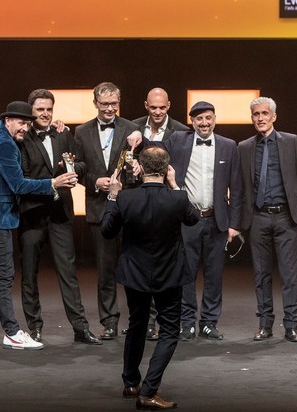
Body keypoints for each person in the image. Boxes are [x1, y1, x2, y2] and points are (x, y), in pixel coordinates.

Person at [0, 101, 77, 351]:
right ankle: (12, 333)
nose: (25, 128)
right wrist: (53, 183)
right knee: (4, 276)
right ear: (8, 120)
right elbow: (19, 185)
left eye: (27, 123)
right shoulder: (4, 144)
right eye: (21, 123)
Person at [130, 101, 243, 341]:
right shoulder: (179, 140)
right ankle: (188, 322)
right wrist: (137, 135)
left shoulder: (228, 145)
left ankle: (209, 322)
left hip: (217, 220)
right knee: (186, 274)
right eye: (199, 119)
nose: (204, 123)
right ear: (192, 121)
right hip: (187, 219)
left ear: (215, 119)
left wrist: (234, 224)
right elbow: (153, 149)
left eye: (208, 118)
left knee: (214, 274)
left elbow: (237, 186)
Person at [102, 146, 198, 410]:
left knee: (137, 324)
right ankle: (148, 391)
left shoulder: (125, 198)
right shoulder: (177, 198)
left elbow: (107, 231)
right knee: (169, 331)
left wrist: (112, 196)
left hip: (135, 272)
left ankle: (131, 383)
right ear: (166, 169)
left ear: (141, 168)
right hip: (169, 273)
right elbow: (194, 219)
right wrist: (175, 185)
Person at [17, 89, 101, 345]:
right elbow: (22, 177)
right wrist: (54, 181)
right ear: (31, 111)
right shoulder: (22, 137)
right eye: (40, 109)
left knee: (68, 272)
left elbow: (82, 164)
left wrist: (72, 168)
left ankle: (80, 328)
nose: (45, 114)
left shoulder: (63, 134)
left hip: (60, 213)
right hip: (32, 213)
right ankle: (34, 327)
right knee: (29, 272)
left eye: (49, 109)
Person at [73, 82, 141, 340]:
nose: (110, 108)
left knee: (136, 268)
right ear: (95, 104)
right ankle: (109, 321)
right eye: (105, 104)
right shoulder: (81, 132)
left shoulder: (132, 129)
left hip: (129, 208)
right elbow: (78, 168)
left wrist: (136, 170)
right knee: (105, 270)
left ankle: (141, 320)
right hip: (99, 208)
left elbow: (142, 164)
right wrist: (94, 181)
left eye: (114, 103)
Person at [238, 97, 297, 343]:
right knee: (261, 274)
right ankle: (265, 324)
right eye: (256, 114)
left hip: (286, 217)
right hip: (258, 217)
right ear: (252, 118)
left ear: (274, 117)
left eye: (264, 113)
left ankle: (291, 325)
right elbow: (240, 186)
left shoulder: (291, 141)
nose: (260, 118)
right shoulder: (244, 147)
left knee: (289, 275)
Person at [130, 87, 191, 340]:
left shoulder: (181, 130)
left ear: (169, 106)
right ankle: (144, 321)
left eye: (162, 107)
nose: (157, 112)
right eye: (153, 107)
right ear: (146, 105)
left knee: (166, 264)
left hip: (167, 205)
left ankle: (164, 321)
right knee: (140, 263)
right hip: (139, 203)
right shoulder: (132, 127)